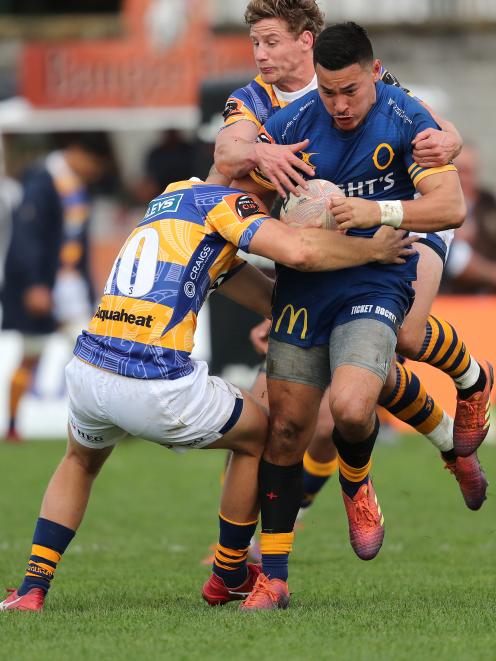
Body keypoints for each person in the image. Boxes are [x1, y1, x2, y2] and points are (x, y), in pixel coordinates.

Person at [0, 178, 414, 612]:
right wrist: (372, 251)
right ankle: (230, 571)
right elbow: (301, 251)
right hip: (153, 380)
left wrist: (296, 316)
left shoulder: (174, 195)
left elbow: (263, 295)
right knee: (261, 434)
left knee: (79, 461)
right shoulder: (227, 202)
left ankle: (32, 588)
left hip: (89, 369)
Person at [213, 0, 488, 537]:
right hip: (326, 252)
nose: (261, 55)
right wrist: (257, 156)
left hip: (404, 218)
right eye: (255, 43)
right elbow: (226, 153)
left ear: (306, 40)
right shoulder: (255, 101)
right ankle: (447, 447)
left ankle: (472, 379)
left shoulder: (361, 74)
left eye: (271, 41)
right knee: (341, 394)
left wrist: (448, 139)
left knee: (405, 336)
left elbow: (424, 122)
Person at [1, 133, 113, 443]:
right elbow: (27, 237)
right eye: (95, 164)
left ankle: (103, 423)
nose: (95, 172)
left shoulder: (78, 186)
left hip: (71, 284)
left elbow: (78, 240)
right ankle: (12, 425)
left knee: (90, 351)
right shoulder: (41, 181)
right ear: (78, 153)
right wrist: (36, 283)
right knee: (31, 354)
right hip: (44, 284)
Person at [443, 144, 496, 293]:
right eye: (459, 172)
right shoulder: (435, 206)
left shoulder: (489, 205)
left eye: (469, 172)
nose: (464, 179)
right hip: (448, 296)